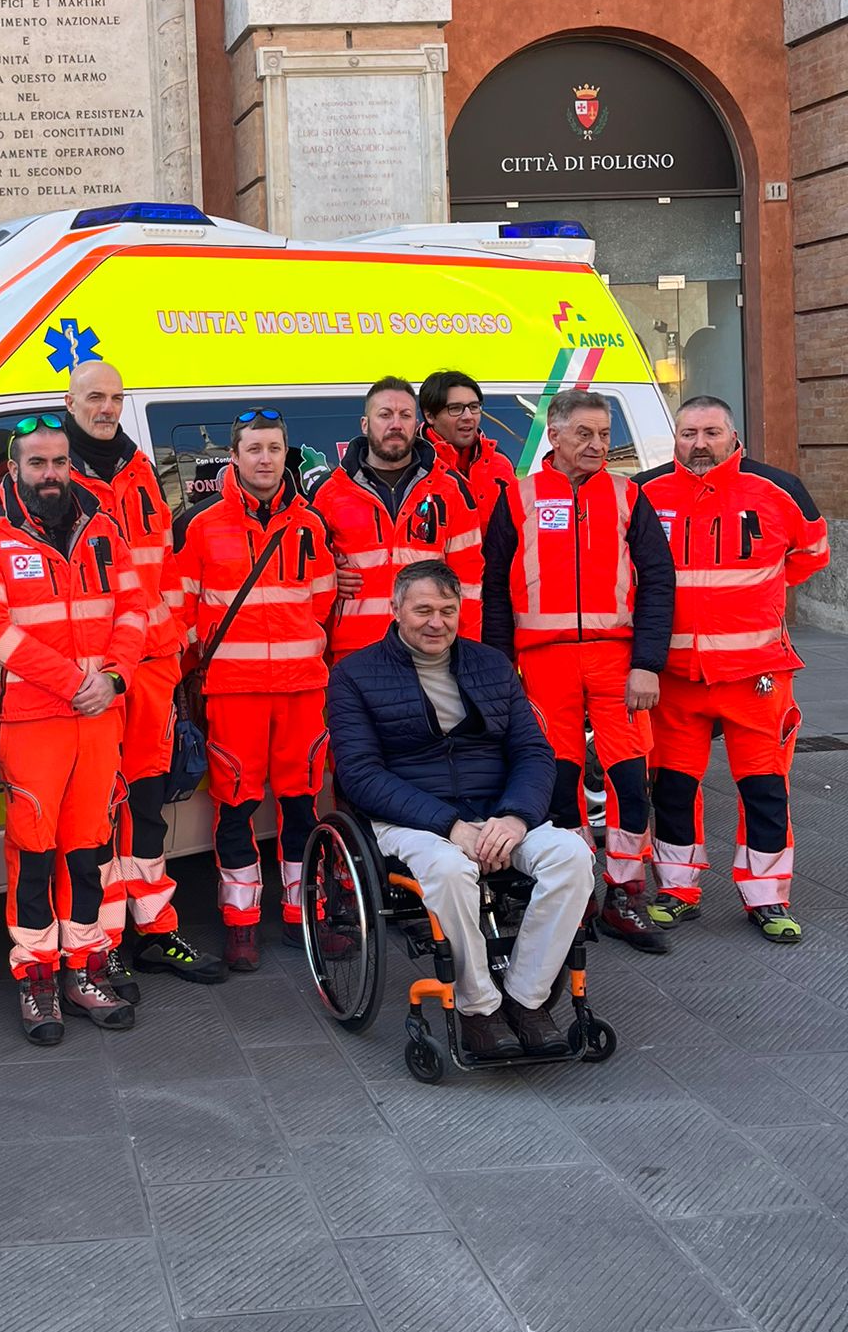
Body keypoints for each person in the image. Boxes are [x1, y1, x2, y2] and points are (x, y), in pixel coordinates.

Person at [328, 562, 595, 1058]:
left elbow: (534, 753)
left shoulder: (490, 664)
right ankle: (478, 1008)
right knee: (450, 869)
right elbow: (359, 774)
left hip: (497, 810)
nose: (437, 623)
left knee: (573, 857)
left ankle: (525, 998)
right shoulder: (355, 675)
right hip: (411, 818)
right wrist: (450, 826)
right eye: (423, 610)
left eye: (448, 611)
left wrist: (515, 817)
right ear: (396, 610)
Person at [0, 414, 147, 1044]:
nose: (51, 474)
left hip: (100, 715)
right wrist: (75, 682)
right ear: (14, 469)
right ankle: (36, 978)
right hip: (35, 719)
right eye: (38, 463)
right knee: (34, 855)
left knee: (89, 850)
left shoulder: (104, 528)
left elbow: (133, 609)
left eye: (60, 462)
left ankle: (83, 967)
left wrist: (117, 677)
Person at [483, 389, 675, 952]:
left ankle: (624, 892)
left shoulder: (627, 495)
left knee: (628, 779)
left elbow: (658, 583)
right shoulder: (517, 497)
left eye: (604, 435)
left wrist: (647, 663)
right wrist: (500, 669)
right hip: (543, 662)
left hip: (617, 661)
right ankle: (575, 893)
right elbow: (495, 588)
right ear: (556, 434)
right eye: (585, 434)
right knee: (557, 781)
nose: (597, 446)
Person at [637, 396, 831, 943]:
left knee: (764, 790)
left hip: (756, 676)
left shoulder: (778, 488)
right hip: (675, 675)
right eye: (688, 433)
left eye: (711, 432)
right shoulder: (646, 493)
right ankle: (676, 889)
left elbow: (812, 554)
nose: (699, 444)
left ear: (733, 435)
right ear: (675, 437)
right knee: (673, 788)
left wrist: (761, 598)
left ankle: (768, 898)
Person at [62, 362, 223, 989]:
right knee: (96, 810)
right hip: (96, 670)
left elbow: (167, 568)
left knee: (148, 807)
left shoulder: (138, 471)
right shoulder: (54, 473)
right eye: (95, 397)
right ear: (69, 401)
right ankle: (100, 943)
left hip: (152, 666)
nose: (107, 408)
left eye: (115, 398)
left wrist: (178, 649)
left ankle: (156, 931)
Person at [174, 409, 336, 971]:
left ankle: (301, 916)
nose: (264, 458)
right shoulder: (201, 526)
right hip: (235, 692)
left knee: (300, 808)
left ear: (284, 454)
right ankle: (241, 925)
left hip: (301, 692)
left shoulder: (309, 525)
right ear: (235, 457)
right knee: (237, 810)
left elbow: (322, 604)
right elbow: (184, 612)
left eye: (273, 448)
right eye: (254, 449)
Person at [315, 377, 484, 660]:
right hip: (356, 653)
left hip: (431, 651)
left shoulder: (450, 489)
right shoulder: (329, 494)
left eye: (405, 415)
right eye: (385, 414)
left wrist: (466, 655)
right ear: (365, 424)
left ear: (416, 423)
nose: (396, 424)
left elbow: (468, 582)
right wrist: (329, 577)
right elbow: (305, 579)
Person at [419, 369, 517, 516]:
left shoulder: (500, 462)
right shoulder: (411, 464)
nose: (468, 416)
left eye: (474, 407)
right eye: (455, 408)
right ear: (430, 416)